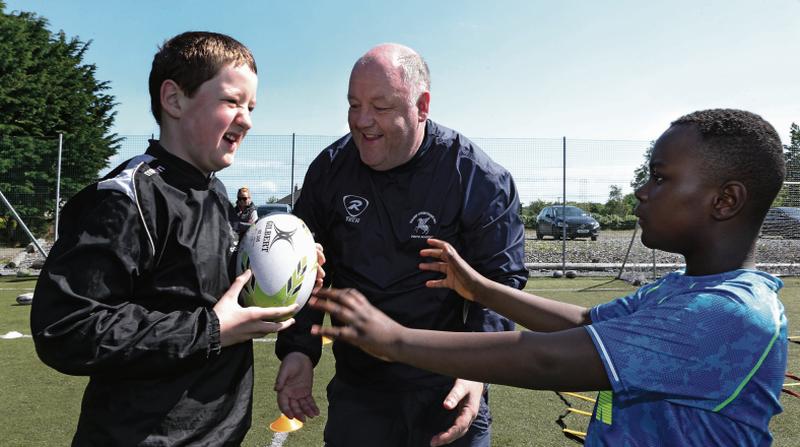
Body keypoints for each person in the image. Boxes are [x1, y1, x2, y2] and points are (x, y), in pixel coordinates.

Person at [309, 108, 789, 446]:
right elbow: (584, 321)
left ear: (725, 200)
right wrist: (479, 288)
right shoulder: (681, 288)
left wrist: (395, 340)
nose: (642, 190)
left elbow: (546, 361)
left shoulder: (728, 314)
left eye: (660, 177)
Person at [30, 32, 307, 446]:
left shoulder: (214, 192)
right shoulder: (126, 198)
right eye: (231, 102)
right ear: (174, 100)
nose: (247, 119)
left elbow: (205, 290)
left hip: (219, 435)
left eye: (250, 107)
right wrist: (211, 329)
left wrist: (286, 276)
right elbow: (66, 327)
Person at [274, 43, 527, 446]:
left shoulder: (478, 178)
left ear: (421, 105)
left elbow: (499, 279)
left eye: (380, 105)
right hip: (361, 390)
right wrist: (299, 350)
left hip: (447, 386)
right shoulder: (330, 171)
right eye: (354, 104)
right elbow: (304, 273)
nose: (362, 121)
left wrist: (478, 371)